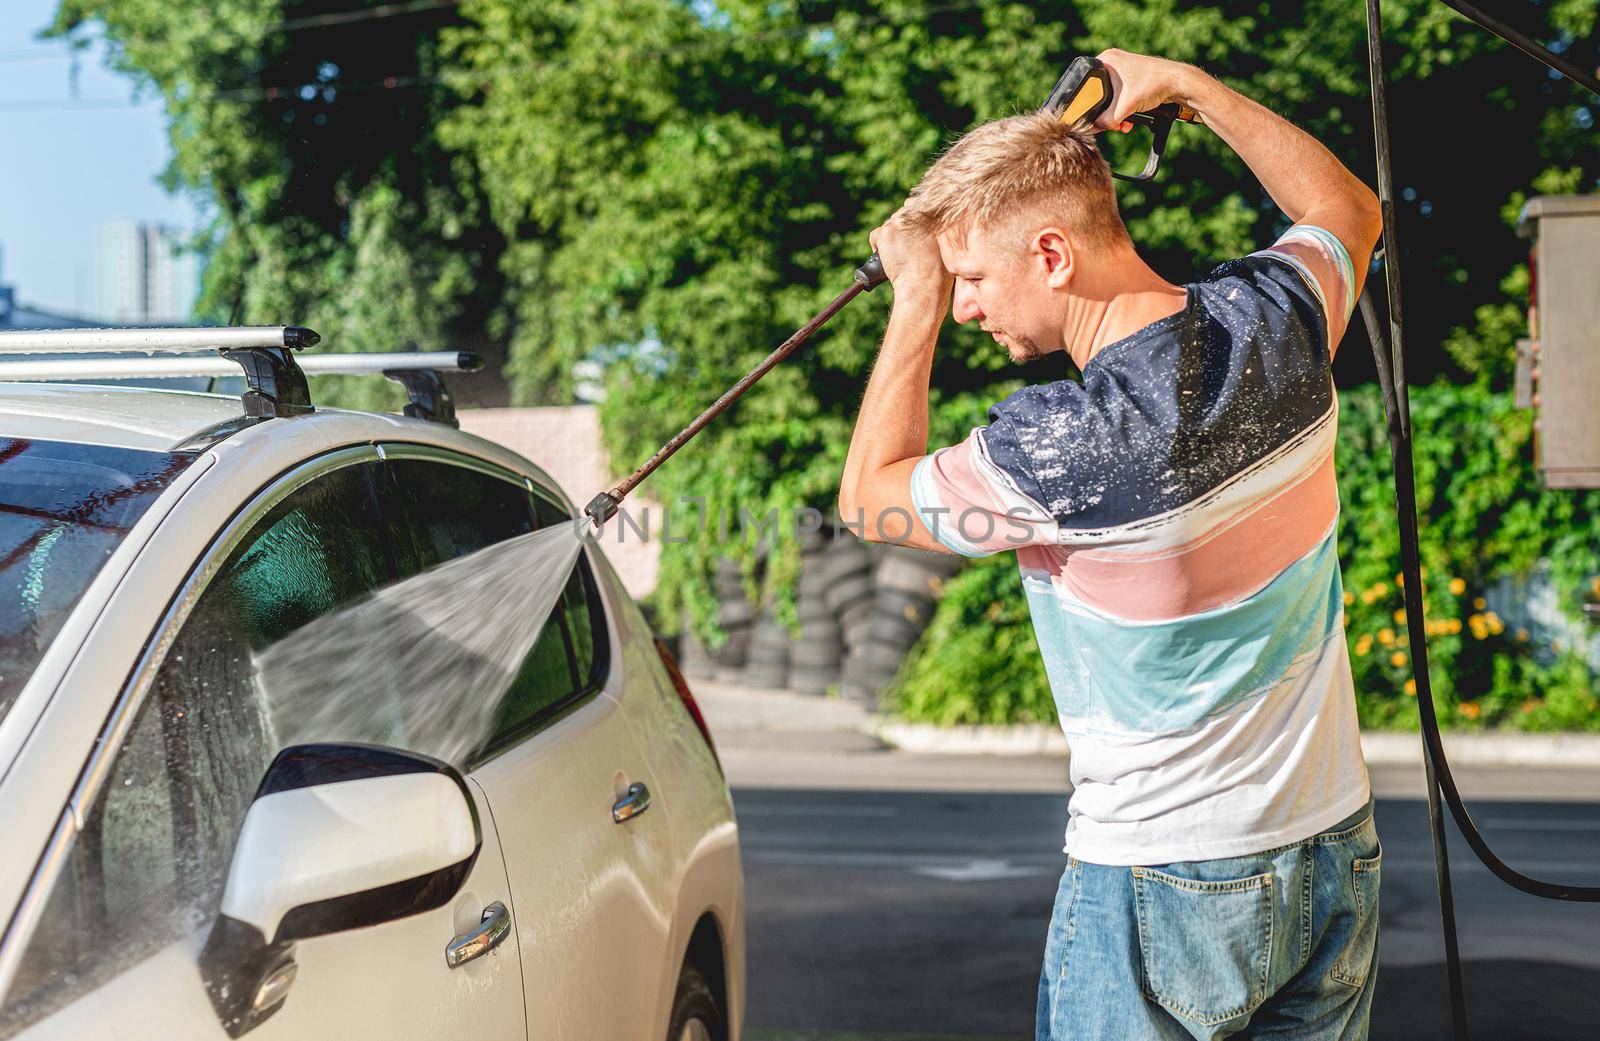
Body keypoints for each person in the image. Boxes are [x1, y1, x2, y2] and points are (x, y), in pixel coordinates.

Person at [837, 48, 1385, 1040]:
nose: (963, 307)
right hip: (1331, 850)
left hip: (1160, 882)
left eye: (968, 278)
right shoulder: (1275, 319)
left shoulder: (1058, 447)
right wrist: (1190, 87)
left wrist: (907, 297)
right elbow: (1348, 209)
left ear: (1051, 255)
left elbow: (869, 503)